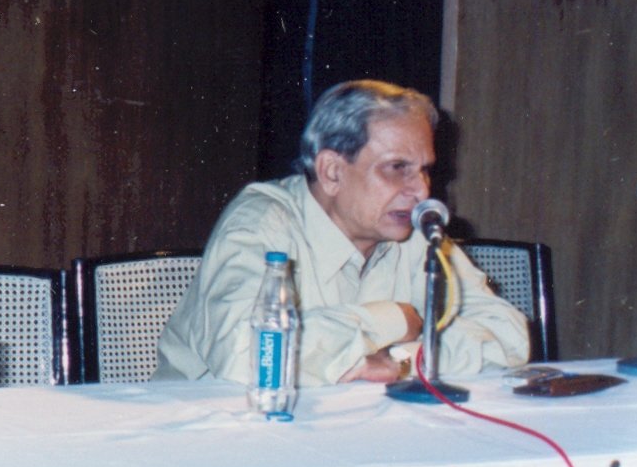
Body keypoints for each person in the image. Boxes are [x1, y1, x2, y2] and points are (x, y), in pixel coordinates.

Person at [156, 80, 530, 386]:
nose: (421, 191)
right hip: (218, 430)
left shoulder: (410, 230)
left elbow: (509, 337)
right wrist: (392, 320)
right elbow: (249, 353)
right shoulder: (262, 221)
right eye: (396, 168)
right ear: (332, 171)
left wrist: (400, 360)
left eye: (425, 170)